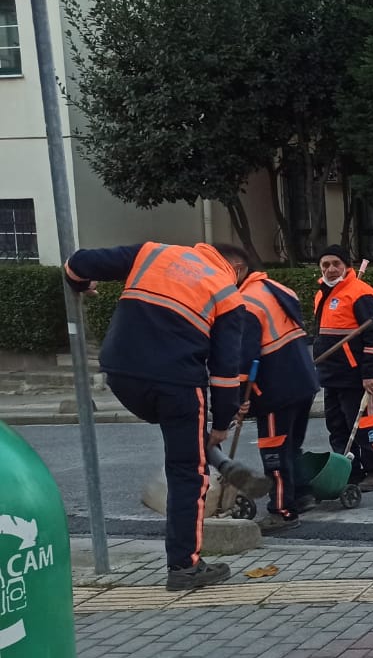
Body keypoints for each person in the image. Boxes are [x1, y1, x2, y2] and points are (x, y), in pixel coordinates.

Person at [63, 241, 253, 591]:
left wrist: (79, 283)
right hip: (177, 384)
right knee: (187, 473)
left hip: (121, 372)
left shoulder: (154, 253)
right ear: (238, 270)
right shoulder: (228, 292)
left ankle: (197, 446)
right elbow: (226, 371)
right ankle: (185, 567)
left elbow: (77, 263)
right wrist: (222, 425)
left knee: (181, 438)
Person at [216, 245, 320, 531]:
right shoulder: (276, 288)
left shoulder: (245, 303)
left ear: (235, 269)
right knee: (291, 446)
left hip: (277, 390)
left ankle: (283, 511)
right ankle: (301, 495)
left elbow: (243, 356)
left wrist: (236, 398)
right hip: (303, 381)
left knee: (275, 453)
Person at [312, 246, 373, 492]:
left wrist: (368, 374)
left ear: (346, 265)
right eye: (325, 264)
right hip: (331, 374)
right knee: (336, 426)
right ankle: (349, 471)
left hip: (355, 376)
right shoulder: (321, 294)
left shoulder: (361, 293)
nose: (330, 269)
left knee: (365, 426)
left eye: (335, 263)